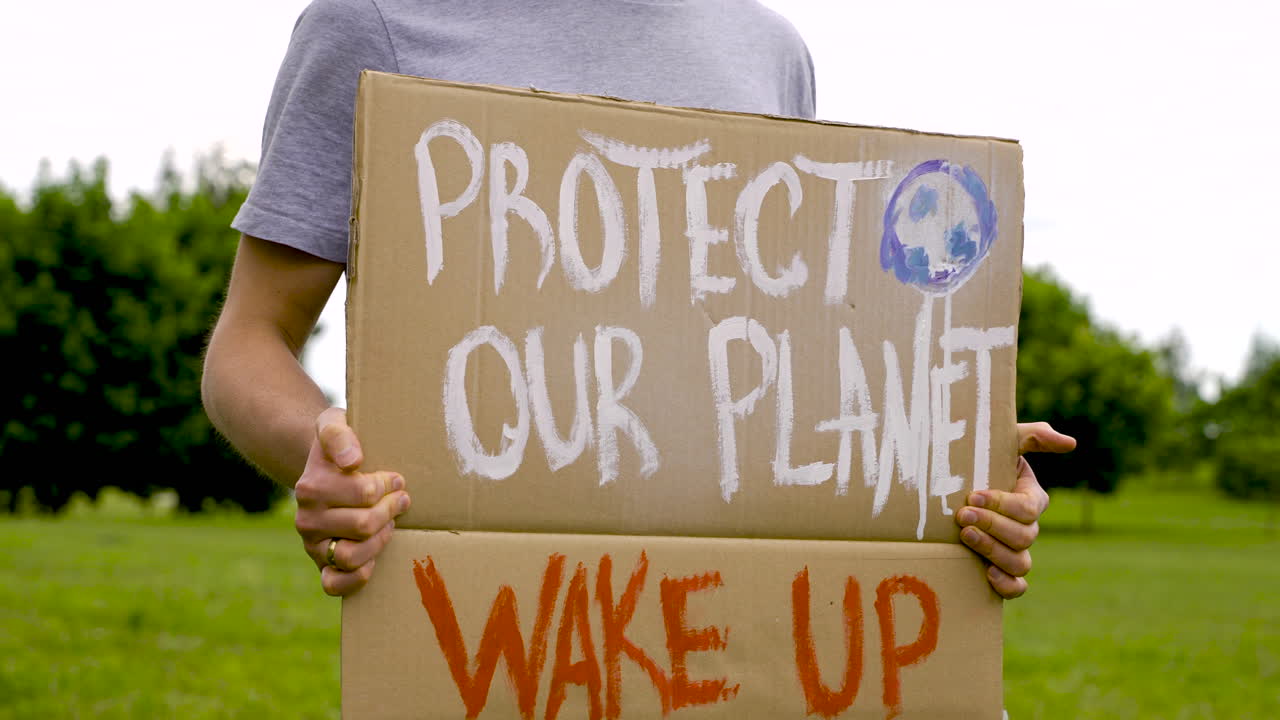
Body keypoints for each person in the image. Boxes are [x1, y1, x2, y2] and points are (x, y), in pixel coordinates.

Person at [202, 0, 1074, 601]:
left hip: (733, 641)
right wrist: (325, 461)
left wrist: (952, 474)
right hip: (483, 637)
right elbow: (250, 339)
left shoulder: (770, 48)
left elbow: (788, 356)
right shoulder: (375, 21)